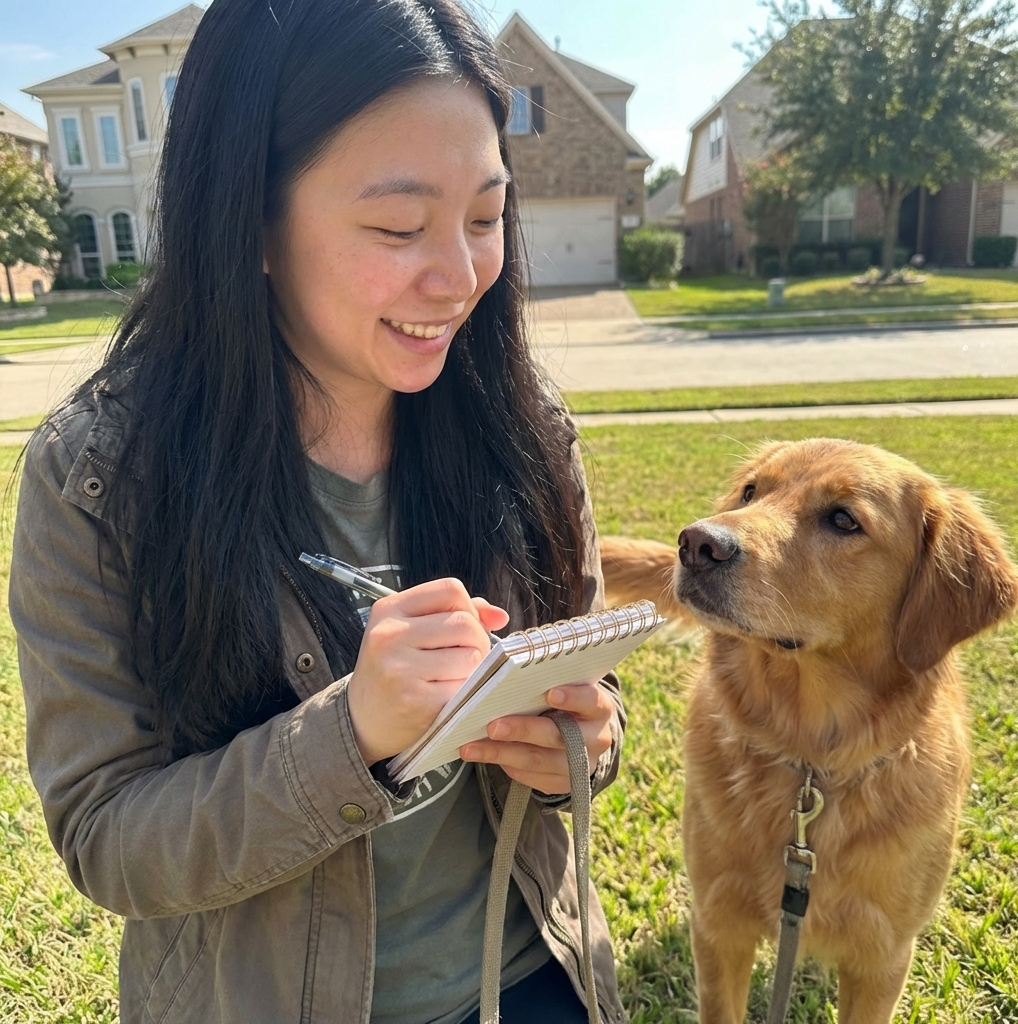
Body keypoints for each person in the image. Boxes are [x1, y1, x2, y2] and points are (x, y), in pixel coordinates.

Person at [9, 2, 627, 1023]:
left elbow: (590, 705)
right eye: (397, 226)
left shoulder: (523, 426)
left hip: (527, 978)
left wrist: (580, 745)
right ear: (248, 222)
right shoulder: (98, 478)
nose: (462, 275)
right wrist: (350, 736)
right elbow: (107, 839)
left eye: (484, 216)